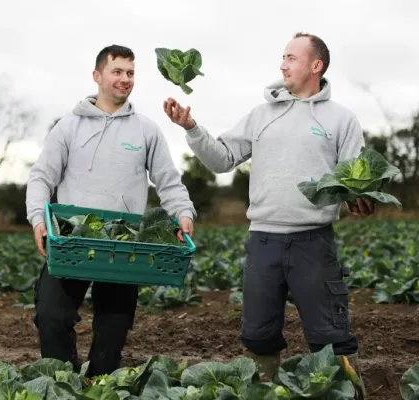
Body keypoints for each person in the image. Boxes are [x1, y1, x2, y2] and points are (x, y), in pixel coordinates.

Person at [163, 33, 373, 397]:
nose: (282, 64)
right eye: (283, 57)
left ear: (315, 66)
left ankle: (351, 392)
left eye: (291, 57)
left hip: (314, 241)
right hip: (263, 240)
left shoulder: (342, 119)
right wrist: (191, 129)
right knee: (258, 334)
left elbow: (356, 179)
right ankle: (267, 388)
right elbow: (221, 160)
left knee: (331, 335)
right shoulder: (260, 115)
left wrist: (363, 198)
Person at [25, 44, 196, 378]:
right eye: (117, 71)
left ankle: (100, 382)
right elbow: (41, 178)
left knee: (113, 324)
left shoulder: (146, 130)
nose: (125, 79)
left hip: (124, 240)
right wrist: (37, 219)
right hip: (71, 237)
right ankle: (61, 382)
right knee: (51, 315)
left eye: (130, 73)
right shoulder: (68, 127)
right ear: (97, 76)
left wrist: (184, 214)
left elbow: (169, 182)